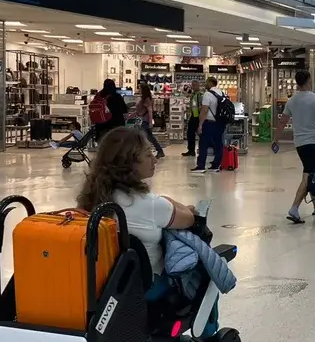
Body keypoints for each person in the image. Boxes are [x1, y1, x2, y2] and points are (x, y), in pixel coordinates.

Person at [76, 127, 199, 274]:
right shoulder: (149, 204)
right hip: (146, 285)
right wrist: (167, 200)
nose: (154, 159)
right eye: (148, 155)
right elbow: (189, 219)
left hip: (105, 284)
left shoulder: (91, 197)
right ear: (128, 164)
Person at [281, 70, 315, 223]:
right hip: (314, 142)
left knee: (310, 173)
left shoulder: (292, 101)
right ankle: (294, 208)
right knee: (308, 176)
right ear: (309, 80)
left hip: (300, 144)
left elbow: (283, 120)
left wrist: (276, 139)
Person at [193, 77, 232, 173]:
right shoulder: (221, 93)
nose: (205, 84)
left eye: (206, 82)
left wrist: (200, 125)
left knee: (203, 144)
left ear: (210, 83)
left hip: (209, 123)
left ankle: (201, 166)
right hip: (220, 123)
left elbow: (204, 110)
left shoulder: (207, 94)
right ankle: (216, 165)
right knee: (218, 144)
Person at [130, 83, 167, 158]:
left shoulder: (146, 99)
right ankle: (158, 151)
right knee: (148, 137)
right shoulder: (143, 98)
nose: (139, 89)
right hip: (141, 119)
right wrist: (132, 115)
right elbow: (140, 110)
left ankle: (155, 151)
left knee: (147, 137)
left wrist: (150, 122)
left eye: (140, 88)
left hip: (144, 120)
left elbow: (149, 110)